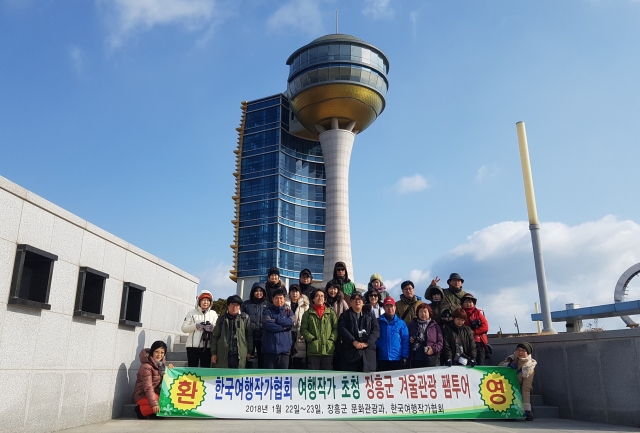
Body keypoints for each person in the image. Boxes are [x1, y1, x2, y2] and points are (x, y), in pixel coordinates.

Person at [338, 292, 380, 372]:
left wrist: (367, 343)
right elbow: (342, 329)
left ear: (363, 301)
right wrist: (353, 341)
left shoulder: (370, 315)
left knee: (368, 381)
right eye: (354, 299)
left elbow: (376, 330)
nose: (357, 301)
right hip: (350, 354)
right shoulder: (345, 315)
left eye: (359, 299)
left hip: (368, 354)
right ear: (350, 302)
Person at [133, 341, 174, 419]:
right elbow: (148, 387)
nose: (159, 355)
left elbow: (165, 381)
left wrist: (169, 369)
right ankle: (140, 410)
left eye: (162, 352)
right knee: (163, 403)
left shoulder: (161, 365)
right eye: (157, 352)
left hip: (155, 393)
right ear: (152, 352)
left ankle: (153, 412)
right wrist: (154, 404)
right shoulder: (146, 367)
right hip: (142, 395)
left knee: (169, 400)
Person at [210, 295, 253, 369]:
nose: (234, 307)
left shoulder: (245, 318)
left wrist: (249, 351)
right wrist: (214, 353)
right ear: (228, 306)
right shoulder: (221, 319)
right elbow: (215, 336)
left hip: (239, 354)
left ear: (239, 307)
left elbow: (249, 335)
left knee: (238, 377)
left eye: (237, 305)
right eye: (232, 304)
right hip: (223, 354)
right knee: (224, 376)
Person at [301, 289, 338, 370]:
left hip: (328, 350)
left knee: (327, 377)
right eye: (317, 296)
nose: (320, 298)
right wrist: (312, 339)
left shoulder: (331, 313)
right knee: (314, 377)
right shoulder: (307, 313)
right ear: (313, 299)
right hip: (313, 350)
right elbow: (303, 329)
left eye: (322, 296)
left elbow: (336, 328)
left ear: (325, 299)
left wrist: (331, 339)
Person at [499, 342, 537, 421]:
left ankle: (528, 412)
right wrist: (508, 364)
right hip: (507, 387)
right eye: (518, 350)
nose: (520, 352)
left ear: (528, 353)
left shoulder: (529, 368)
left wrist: (526, 407)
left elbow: (526, 389)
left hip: (518, 389)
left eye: (523, 350)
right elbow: (499, 367)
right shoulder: (511, 358)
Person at [181, 290, 218, 368]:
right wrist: (195, 326)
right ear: (199, 301)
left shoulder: (213, 313)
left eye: (208, 300)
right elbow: (183, 328)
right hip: (192, 346)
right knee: (192, 369)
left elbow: (217, 329)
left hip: (207, 346)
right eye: (203, 300)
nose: (205, 302)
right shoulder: (191, 313)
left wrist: (212, 328)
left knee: (205, 369)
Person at [262, 288, 294, 369]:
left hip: (284, 351)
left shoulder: (289, 312)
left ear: (284, 299)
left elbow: (290, 323)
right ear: (272, 299)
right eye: (276, 298)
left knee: (283, 378)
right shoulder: (267, 311)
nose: (279, 300)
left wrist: (276, 320)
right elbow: (268, 325)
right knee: (269, 378)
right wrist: (283, 327)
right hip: (269, 350)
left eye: (281, 298)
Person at [241, 282, 269, 368]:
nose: (259, 293)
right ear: (253, 292)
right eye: (256, 291)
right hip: (249, 336)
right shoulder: (246, 304)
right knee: (248, 358)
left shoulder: (268, 304)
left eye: (261, 291)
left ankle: (261, 378)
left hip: (263, 336)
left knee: (262, 360)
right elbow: (242, 318)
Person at [377, 297, 410, 371]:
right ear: (384, 308)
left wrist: (405, 356)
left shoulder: (401, 323)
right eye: (387, 306)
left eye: (391, 306)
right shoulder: (378, 322)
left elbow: (405, 340)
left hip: (397, 358)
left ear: (395, 307)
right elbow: (375, 338)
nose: (390, 308)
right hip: (382, 358)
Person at [408, 303, 443, 368]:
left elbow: (440, 343)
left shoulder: (435, 326)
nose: (423, 314)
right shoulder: (412, 325)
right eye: (421, 312)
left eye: (425, 312)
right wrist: (410, 339)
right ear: (417, 313)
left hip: (431, 359)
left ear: (429, 313)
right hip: (415, 358)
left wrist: (433, 349)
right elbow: (404, 339)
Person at [461, 293, 489, 365]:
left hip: (478, 342)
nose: (468, 304)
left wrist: (474, 332)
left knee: (480, 363)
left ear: (474, 304)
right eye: (466, 302)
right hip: (465, 343)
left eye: (470, 302)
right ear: (462, 304)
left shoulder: (478, 313)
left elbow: (485, 327)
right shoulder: (460, 313)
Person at [287, 284, 310, 369]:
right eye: (292, 291)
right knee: (288, 357)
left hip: (300, 332)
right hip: (288, 332)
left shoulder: (305, 304)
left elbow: (307, 319)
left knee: (298, 357)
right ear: (289, 293)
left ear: (300, 293)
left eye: (296, 291)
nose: (294, 293)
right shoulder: (285, 304)